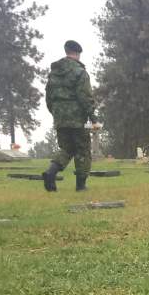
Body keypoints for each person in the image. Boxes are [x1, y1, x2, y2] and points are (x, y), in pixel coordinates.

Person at [40, 40, 98, 193]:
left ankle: (51, 172)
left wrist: (56, 113)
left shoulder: (54, 73)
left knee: (66, 148)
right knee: (83, 150)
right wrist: (93, 118)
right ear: (78, 54)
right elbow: (85, 96)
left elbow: (48, 97)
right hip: (77, 117)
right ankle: (81, 185)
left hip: (59, 117)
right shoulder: (80, 72)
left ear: (66, 52)